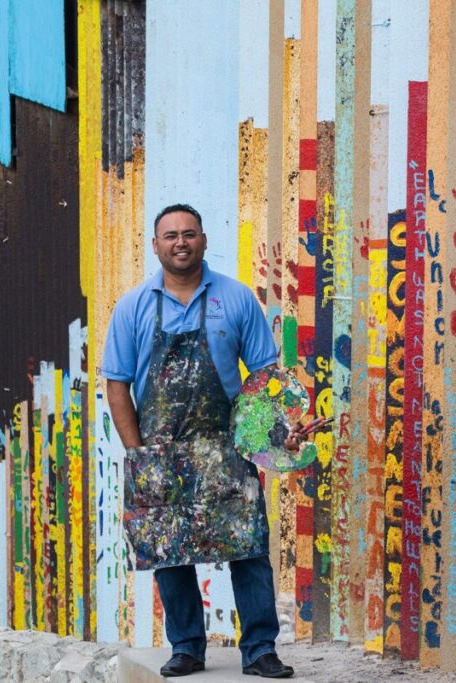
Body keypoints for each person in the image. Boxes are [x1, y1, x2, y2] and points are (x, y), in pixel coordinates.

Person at [101, 203, 322, 678]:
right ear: (155, 245)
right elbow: (116, 383)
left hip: (228, 448)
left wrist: (282, 432)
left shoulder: (237, 299)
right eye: (170, 236)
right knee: (169, 549)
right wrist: (138, 452)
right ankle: (185, 647)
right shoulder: (132, 306)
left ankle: (260, 649)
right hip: (159, 450)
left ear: (203, 240)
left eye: (189, 234)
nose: (180, 242)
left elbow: (265, 379)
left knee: (248, 548)